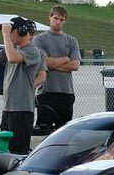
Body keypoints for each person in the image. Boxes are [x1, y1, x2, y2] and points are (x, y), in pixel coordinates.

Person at [0, 17, 42, 154]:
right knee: (5, 149)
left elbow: (13, 59)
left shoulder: (32, 51)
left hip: (22, 110)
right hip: (8, 108)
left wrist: (5, 35)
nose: (8, 35)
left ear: (20, 32)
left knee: (18, 151)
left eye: (10, 32)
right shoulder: (12, 49)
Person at [32, 5, 81, 133]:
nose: (58, 21)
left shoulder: (72, 41)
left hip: (66, 93)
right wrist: (65, 59)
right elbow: (43, 62)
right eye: (56, 18)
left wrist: (52, 63)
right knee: (43, 131)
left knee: (65, 133)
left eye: (61, 19)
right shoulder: (39, 40)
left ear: (65, 21)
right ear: (49, 18)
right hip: (46, 93)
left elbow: (75, 65)